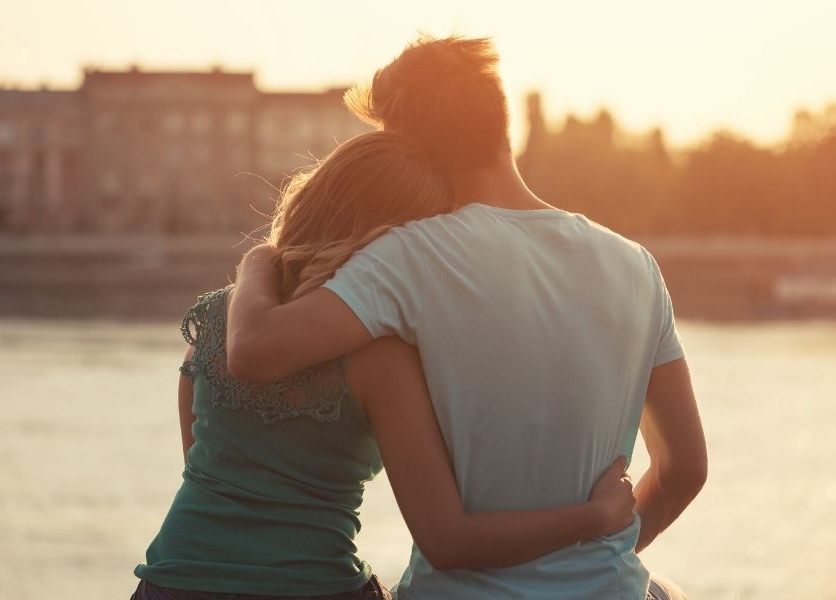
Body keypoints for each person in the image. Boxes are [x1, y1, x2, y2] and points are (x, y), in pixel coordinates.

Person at [226, 36, 707, 600]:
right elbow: (684, 469)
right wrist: (597, 556)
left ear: (407, 150)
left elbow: (256, 349)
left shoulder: (412, 256)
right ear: (500, 127)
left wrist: (258, 261)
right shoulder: (635, 265)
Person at [132, 131, 639, 600]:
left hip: (170, 582)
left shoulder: (214, 320)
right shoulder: (380, 354)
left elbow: (204, 474)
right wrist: (593, 516)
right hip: (314, 586)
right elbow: (449, 540)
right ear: (400, 240)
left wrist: (257, 262)